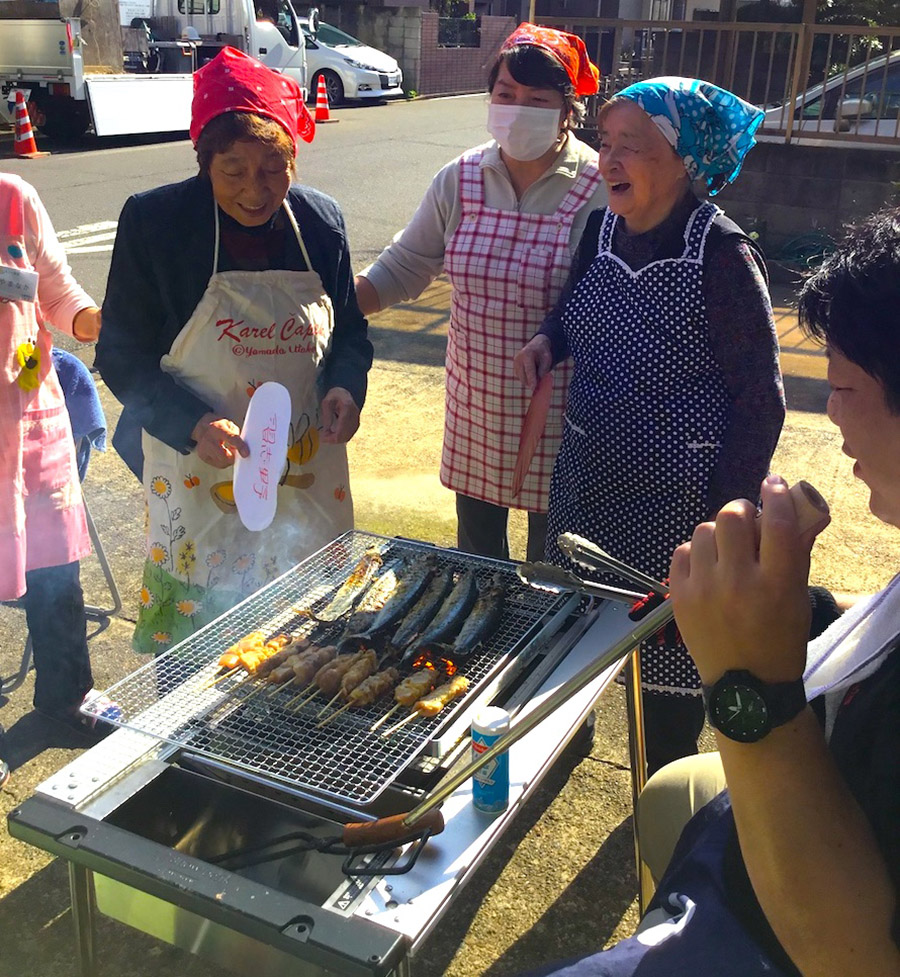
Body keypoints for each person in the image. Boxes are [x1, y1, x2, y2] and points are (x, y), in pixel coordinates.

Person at [522, 209, 900, 977]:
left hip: (772, 932)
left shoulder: (718, 252)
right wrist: (798, 609)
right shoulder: (600, 230)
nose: (829, 409)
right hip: (735, 875)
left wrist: (747, 681)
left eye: (846, 384)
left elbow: (856, 956)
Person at [514, 77, 785, 773]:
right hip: (586, 487)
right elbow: (574, 304)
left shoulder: (722, 256)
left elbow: (762, 399)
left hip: (677, 517)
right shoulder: (600, 226)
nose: (607, 161)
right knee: (570, 653)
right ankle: (562, 755)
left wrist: (726, 516)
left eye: (629, 147)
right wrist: (550, 340)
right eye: (605, 143)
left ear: (684, 159)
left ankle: (664, 799)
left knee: (665, 693)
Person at [96, 47, 373, 655]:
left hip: (305, 467)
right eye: (235, 171)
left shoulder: (319, 222)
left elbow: (350, 331)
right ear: (205, 163)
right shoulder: (157, 223)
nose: (256, 191)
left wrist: (345, 388)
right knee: (197, 652)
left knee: (307, 640)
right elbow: (119, 353)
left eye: (274, 169)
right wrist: (190, 424)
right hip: (199, 469)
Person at [354, 24, 606, 563]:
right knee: (476, 560)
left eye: (538, 100)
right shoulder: (461, 177)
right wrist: (336, 309)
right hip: (477, 405)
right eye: (505, 95)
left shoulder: (600, 186)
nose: (517, 110)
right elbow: (407, 264)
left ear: (568, 109)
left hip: (565, 414)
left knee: (558, 566)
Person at [0, 173, 113, 758]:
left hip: (32, 419)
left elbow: (56, 291)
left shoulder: (12, 197)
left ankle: (66, 700)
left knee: (56, 569)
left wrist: (96, 320)